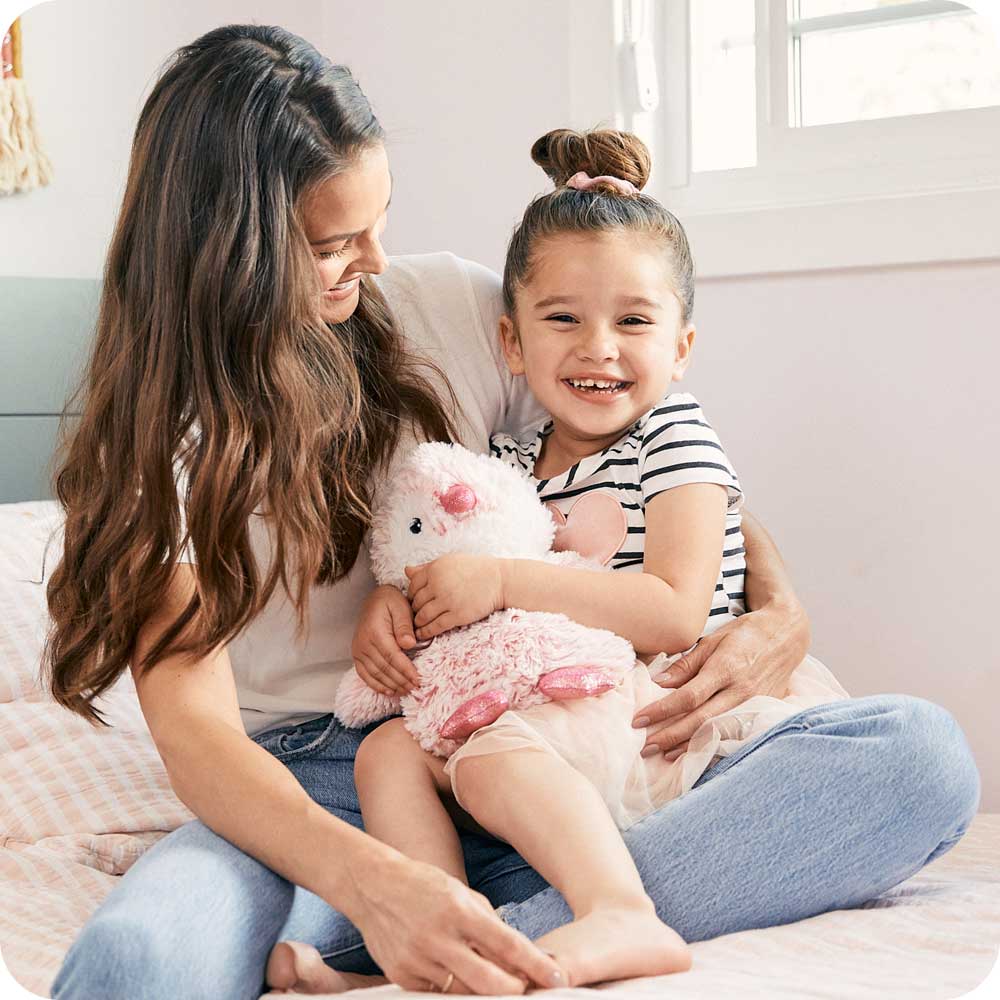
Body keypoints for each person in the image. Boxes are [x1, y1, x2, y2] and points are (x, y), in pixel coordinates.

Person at [44, 24, 979, 1000]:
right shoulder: (156, 454)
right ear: (224, 245)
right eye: (332, 243)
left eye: (379, 219)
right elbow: (199, 741)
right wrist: (374, 878)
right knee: (133, 968)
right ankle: (465, 924)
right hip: (309, 791)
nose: (374, 259)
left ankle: (495, 933)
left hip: (539, 743)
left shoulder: (447, 306)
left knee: (916, 758)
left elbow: (660, 460)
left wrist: (778, 614)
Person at [268, 128, 850, 992]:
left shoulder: (674, 436)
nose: (599, 346)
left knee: (494, 750)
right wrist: (395, 607)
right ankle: (435, 949)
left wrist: (502, 581)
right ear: (512, 342)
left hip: (650, 712)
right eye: (563, 319)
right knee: (387, 753)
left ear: (681, 347)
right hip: (547, 709)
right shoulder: (507, 458)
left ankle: (621, 911)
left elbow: (673, 611)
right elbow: (451, 561)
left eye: (635, 321)